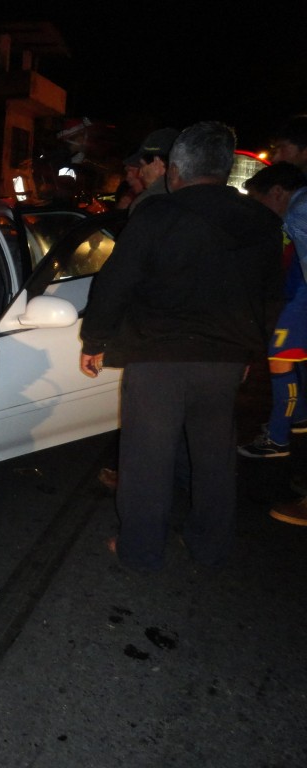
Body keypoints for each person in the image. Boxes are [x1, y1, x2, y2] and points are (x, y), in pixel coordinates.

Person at [79, 121, 283, 570]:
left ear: (175, 170)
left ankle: (141, 550)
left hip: (159, 358)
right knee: (214, 456)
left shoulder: (157, 215)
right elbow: (271, 297)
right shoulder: (265, 222)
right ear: (227, 169)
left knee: (147, 459)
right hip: (226, 359)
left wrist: (95, 339)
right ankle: (210, 546)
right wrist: (251, 351)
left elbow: (116, 283)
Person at [236, 163, 307, 459]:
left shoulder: (299, 211)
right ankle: (298, 419)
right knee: (295, 359)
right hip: (297, 295)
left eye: (258, 198)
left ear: (277, 192)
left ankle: (277, 439)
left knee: (280, 360)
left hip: (300, 298)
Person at [128, 127, 179, 212]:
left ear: (156, 162)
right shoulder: (194, 193)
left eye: (142, 166)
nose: (140, 174)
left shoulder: (145, 204)